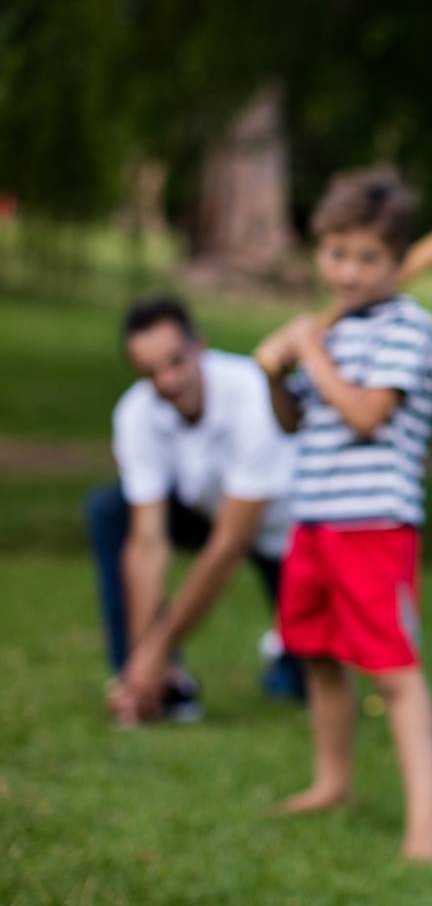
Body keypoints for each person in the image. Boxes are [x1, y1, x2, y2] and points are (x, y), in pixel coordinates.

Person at [255, 166, 432, 862]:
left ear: (398, 260)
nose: (349, 271)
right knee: (315, 655)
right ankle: (332, 780)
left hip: (375, 523)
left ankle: (427, 820)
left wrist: (306, 347)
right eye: (336, 253)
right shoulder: (330, 331)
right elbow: (294, 420)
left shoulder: (407, 327)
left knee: (393, 669)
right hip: (314, 517)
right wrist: (278, 372)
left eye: (368, 257)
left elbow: (367, 414)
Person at [90, 295, 305, 724]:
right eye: (150, 372)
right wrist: (144, 657)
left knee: (300, 687)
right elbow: (147, 541)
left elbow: (230, 544)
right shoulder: (136, 413)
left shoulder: (249, 390)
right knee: (110, 510)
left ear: (199, 347)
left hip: (288, 534)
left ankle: (286, 658)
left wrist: (158, 643)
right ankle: (151, 686)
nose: (167, 380)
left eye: (175, 363)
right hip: (208, 514)